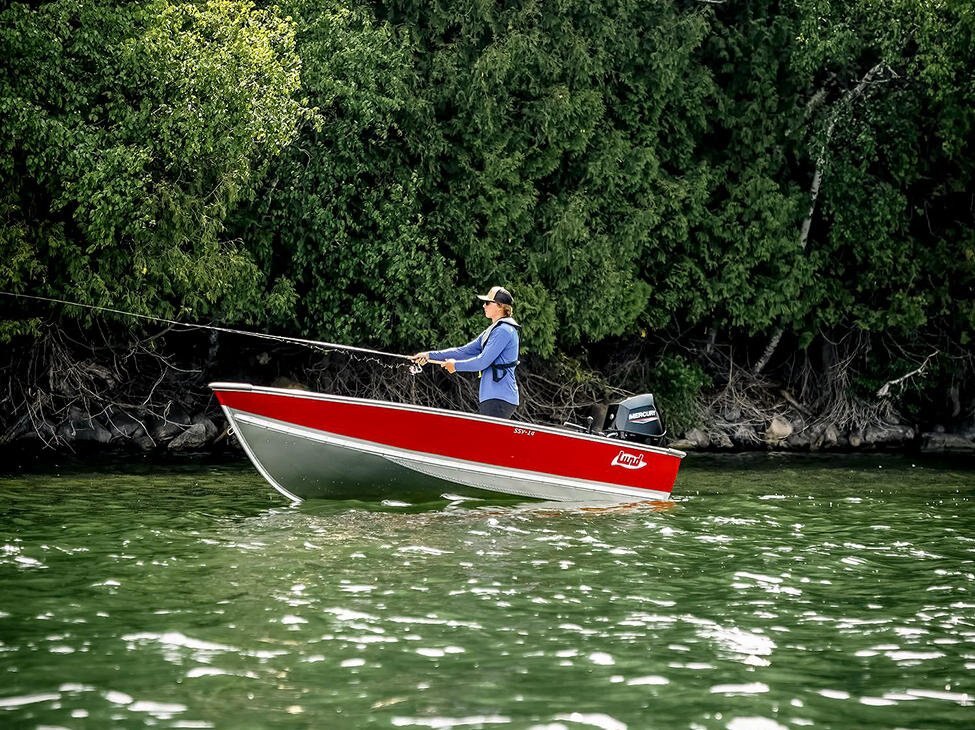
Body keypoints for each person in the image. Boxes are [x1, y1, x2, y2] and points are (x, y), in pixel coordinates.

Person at [413, 286, 521, 418]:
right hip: (493, 397)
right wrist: (428, 355)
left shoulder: (503, 330)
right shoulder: (494, 330)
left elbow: (482, 361)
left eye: (487, 303)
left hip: (500, 398)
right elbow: (463, 351)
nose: (484, 306)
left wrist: (455, 365)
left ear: (500, 306)